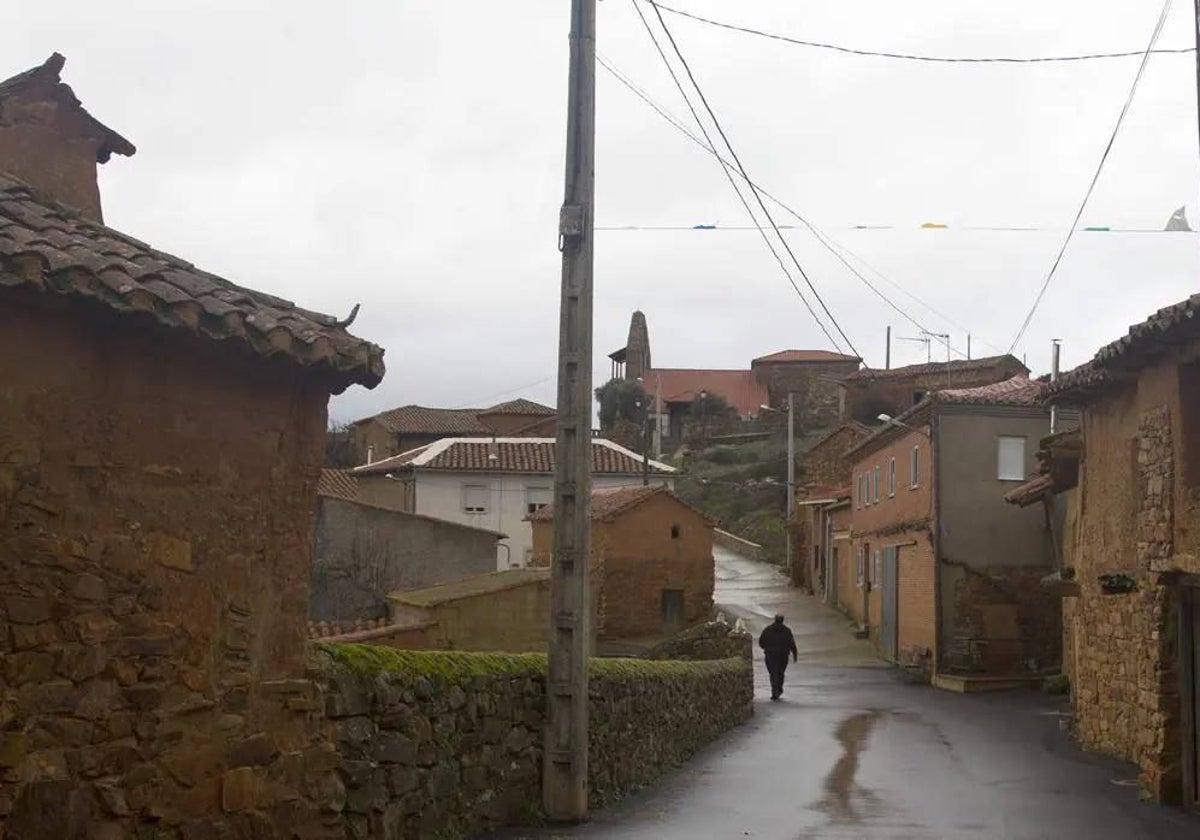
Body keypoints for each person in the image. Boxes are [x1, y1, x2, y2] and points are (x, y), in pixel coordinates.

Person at [758, 614, 798, 701]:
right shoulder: (787, 631)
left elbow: (761, 642)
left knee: (773, 673)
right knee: (780, 672)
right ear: (782, 620)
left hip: (770, 655)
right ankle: (779, 689)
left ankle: (774, 691)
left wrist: (766, 648)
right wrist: (795, 654)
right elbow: (792, 643)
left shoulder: (767, 630)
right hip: (783, 655)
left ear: (775, 620)